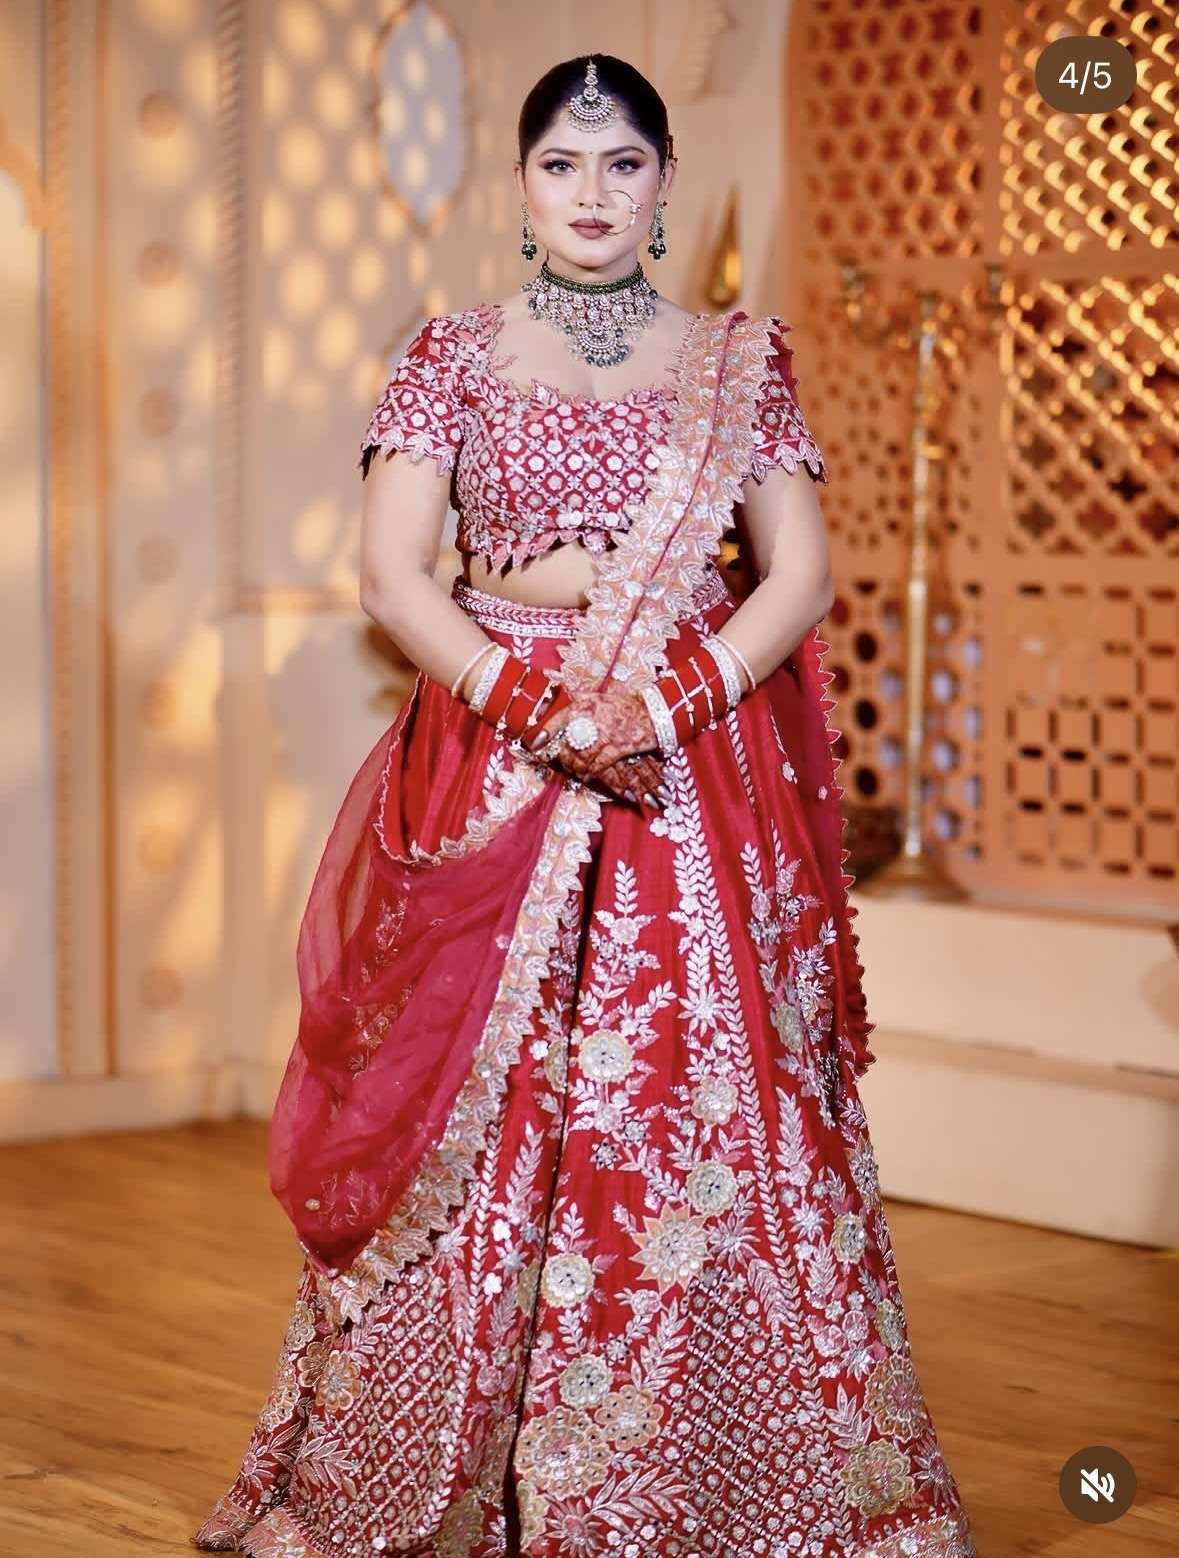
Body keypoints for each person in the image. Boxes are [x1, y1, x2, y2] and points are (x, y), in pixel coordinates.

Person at [192, 53, 978, 1558]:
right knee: (480, 1114)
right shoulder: (453, 355)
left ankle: (718, 1488)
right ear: (521, 185)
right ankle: (440, 1478)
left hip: (687, 774)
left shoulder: (738, 358)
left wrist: (660, 706)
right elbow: (394, 577)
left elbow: (798, 573)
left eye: (623, 165)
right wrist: (542, 708)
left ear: (665, 182)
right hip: (503, 768)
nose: (594, 194)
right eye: (563, 164)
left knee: (697, 1105)